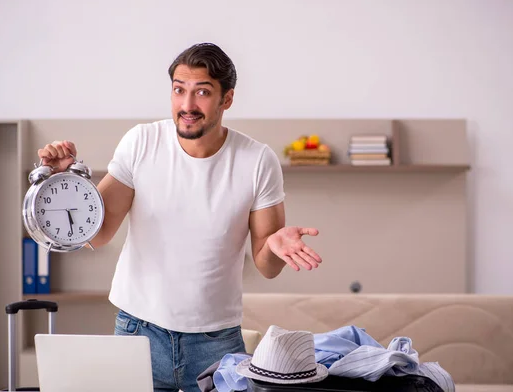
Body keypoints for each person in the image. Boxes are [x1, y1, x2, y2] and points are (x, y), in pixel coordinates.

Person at [37, 42, 323, 392]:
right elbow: (98, 234)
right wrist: (66, 183)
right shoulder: (141, 142)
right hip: (137, 334)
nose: (187, 105)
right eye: (179, 90)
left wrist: (275, 246)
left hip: (215, 344)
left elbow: (267, 266)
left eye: (202, 92)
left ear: (227, 99)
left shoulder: (257, 161)